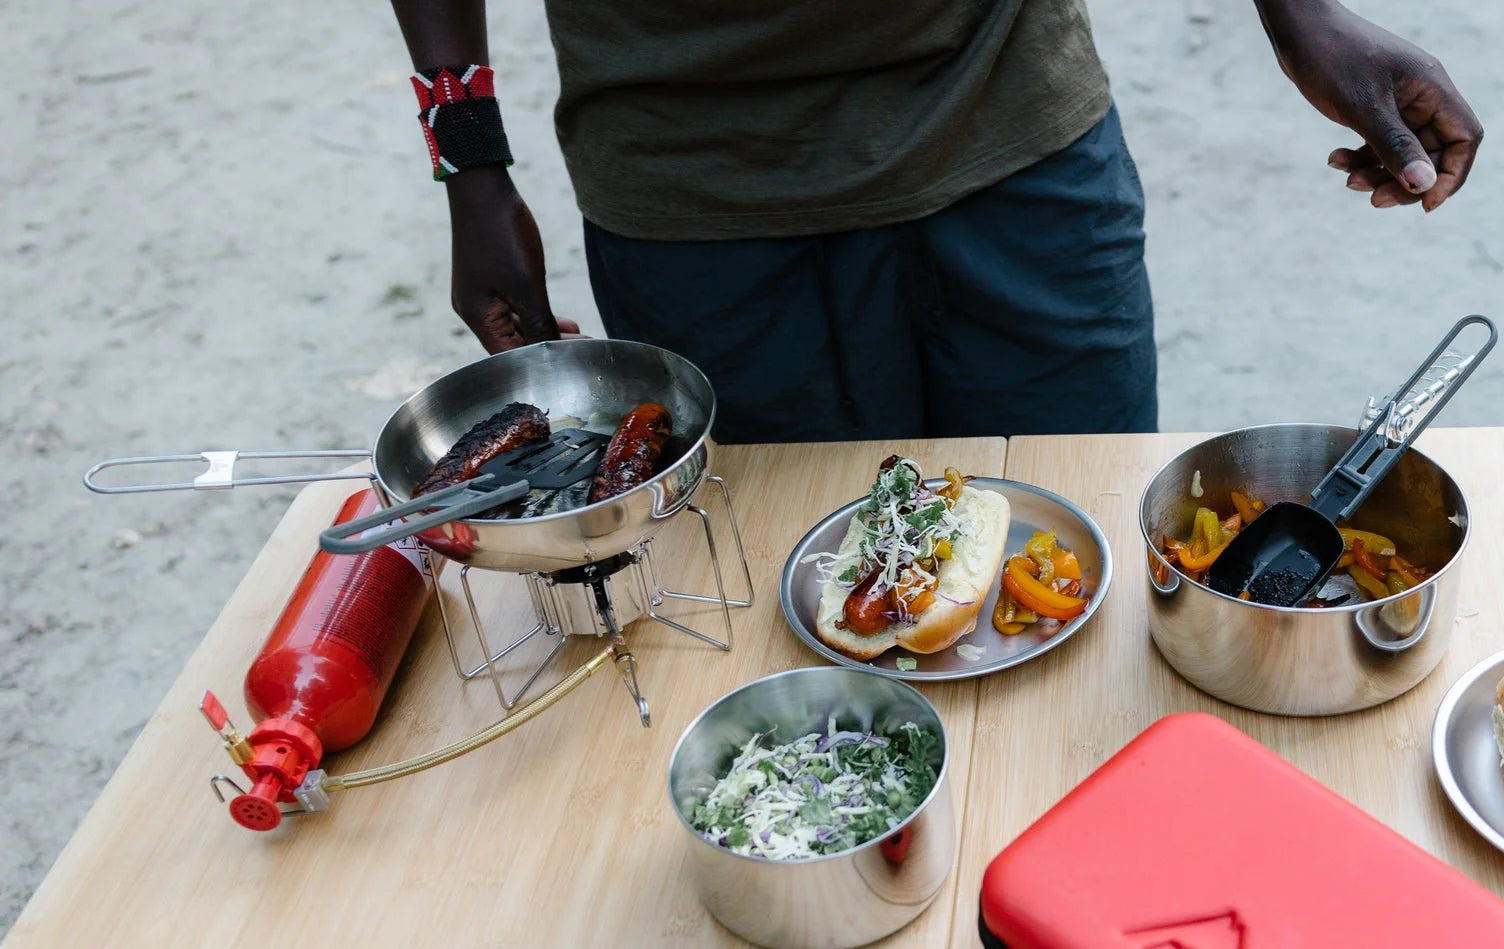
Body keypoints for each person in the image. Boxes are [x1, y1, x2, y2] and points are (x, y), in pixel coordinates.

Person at [390, 0, 1481, 443]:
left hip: (1014, 135)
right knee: (777, 619)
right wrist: (471, 168)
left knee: (1070, 558)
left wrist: (1298, 12)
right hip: (697, 194)